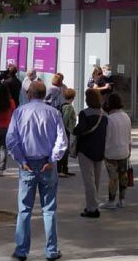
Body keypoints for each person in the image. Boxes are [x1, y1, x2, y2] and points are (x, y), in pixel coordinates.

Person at [7, 80, 67, 261]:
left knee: (24, 209)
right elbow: (62, 140)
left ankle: (21, 250)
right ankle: (51, 250)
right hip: (47, 163)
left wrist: (21, 159)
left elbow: (11, 139)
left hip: (28, 164)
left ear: (28, 94)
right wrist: (52, 159)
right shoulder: (54, 113)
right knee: (49, 209)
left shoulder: (19, 112)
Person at [73, 88, 108, 218]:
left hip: (86, 149)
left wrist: (74, 129)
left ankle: (92, 208)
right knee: (96, 180)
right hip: (100, 150)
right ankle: (93, 205)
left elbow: (79, 130)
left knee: (89, 181)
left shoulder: (84, 113)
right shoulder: (104, 115)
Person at [100, 94, 132, 210]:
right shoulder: (126, 116)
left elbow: (105, 137)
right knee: (123, 175)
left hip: (111, 152)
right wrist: (129, 150)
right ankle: (122, 200)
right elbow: (129, 136)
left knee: (113, 178)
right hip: (124, 151)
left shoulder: (108, 119)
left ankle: (111, 201)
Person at [57, 88, 77, 177]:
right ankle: (61, 169)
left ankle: (64, 169)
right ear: (73, 97)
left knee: (65, 150)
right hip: (65, 130)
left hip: (64, 130)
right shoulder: (68, 107)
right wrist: (67, 129)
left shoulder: (62, 105)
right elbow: (65, 119)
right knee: (64, 150)